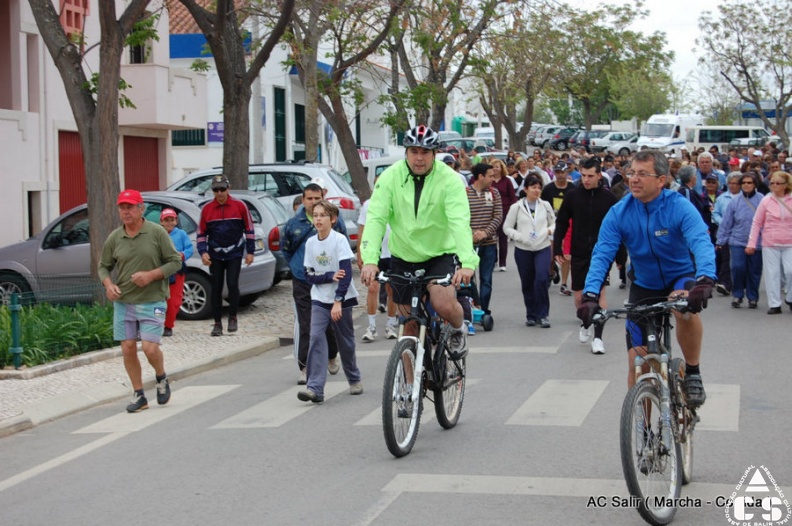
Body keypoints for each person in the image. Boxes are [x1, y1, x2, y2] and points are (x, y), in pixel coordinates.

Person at [577, 150, 716, 408]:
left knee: (682, 307)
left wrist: (706, 278)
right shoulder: (620, 212)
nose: (634, 179)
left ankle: (693, 372)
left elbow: (700, 241)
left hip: (680, 277)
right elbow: (602, 254)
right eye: (631, 173)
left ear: (661, 180)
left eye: (643, 174)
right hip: (644, 284)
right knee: (638, 365)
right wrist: (590, 295)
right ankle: (644, 432)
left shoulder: (679, 206)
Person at [359, 125, 478, 360]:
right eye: (414, 151)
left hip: (440, 253)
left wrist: (467, 262)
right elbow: (376, 219)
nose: (419, 157)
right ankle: (407, 391)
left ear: (434, 153)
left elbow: (459, 222)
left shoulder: (450, 180)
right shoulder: (390, 177)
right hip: (404, 255)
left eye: (425, 152)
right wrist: (370, 260)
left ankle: (457, 327)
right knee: (408, 326)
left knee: (443, 303)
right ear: (406, 152)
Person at [98, 189, 183, 413]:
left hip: (152, 299)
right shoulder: (115, 237)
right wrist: (108, 285)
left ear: (141, 209)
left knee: (149, 348)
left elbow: (175, 262)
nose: (125, 212)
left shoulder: (156, 232)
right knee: (127, 348)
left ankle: (161, 378)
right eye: (122, 207)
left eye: (130, 207)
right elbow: (103, 266)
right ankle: (139, 395)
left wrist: (151, 275)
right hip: (124, 301)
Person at [553, 157, 623, 354]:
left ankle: (598, 338)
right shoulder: (573, 196)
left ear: (599, 175)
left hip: (602, 254)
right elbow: (562, 223)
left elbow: (619, 229)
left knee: (599, 294)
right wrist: (558, 248)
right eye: (583, 175)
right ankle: (586, 322)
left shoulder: (609, 199)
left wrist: (620, 256)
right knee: (579, 297)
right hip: (579, 252)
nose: (586, 179)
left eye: (590, 176)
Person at [297, 200, 363, 403]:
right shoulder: (310, 243)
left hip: (340, 299)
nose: (317, 219)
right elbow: (308, 275)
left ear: (332, 219)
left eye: (322, 215)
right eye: (315, 215)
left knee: (345, 342)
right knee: (316, 337)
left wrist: (338, 300)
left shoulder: (339, 240)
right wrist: (328, 276)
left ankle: (354, 378)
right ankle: (315, 388)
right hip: (319, 299)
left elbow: (346, 274)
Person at [282, 183, 347, 384]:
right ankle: (305, 366)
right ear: (303, 200)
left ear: (323, 198)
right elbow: (287, 249)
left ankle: (331, 354)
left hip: (327, 280)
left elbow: (342, 242)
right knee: (306, 323)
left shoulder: (334, 220)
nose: (313, 203)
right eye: (309, 199)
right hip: (303, 279)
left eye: (316, 198)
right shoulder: (294, 224)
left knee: (328, 323)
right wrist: (296, 267)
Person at [197, 175, 255, 337]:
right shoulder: (207, 209)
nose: (220, 193)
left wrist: (250, 252)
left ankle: (233, 317)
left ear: (228, 188)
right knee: (216, 288)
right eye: (216, 190)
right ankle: (217, 323)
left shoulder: (240, 205)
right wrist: (203, 252)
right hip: (215, 254)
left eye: (222, 189)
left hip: (235, 252)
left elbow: (249, 229)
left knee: (232, 284)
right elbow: (201, 233)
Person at [503, 175, 556, 328]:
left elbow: (554, 223)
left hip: (542, 247)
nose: (537, 190)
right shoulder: (517, 207)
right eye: (533, 187)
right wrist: (519, 236)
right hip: (523, 249)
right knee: (527, 282)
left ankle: (543, 314)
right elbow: (507, 227)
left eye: (539, 187)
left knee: (541, 278)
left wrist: (548, 231)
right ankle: (531, 314)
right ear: (526, 189)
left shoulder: (545, 205)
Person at [356, 175, 398, 342]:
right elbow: (362, 230)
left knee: (391, 290)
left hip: (393, 253)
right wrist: (361, 254)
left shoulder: (397, 203)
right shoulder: (368, 205)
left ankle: (390, 324)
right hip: (374, 254)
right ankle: (371, 326)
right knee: (373, 288)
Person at [716, 172, 763, 310]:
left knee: (754, 271)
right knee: (737, 268)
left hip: (756, 242)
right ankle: (737, 295)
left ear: (755, 184)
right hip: (737, 240)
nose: (746, 185)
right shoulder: (735, 201)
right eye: (744, 183)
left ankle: (752, 297)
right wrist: (720, 241)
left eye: (750, 182)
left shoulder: (762, 200)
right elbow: (726, 222)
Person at [746, 170, 792, 314]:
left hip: (790, 242)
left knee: (790, 271)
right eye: (772, 183)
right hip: (770, 242)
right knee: (772, 274)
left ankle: (790, 297)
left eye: (778, 183)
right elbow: (757, 223)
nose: (774, 186)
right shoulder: (766, 200)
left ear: (786, 185)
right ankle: (774, 304)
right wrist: (751, 243)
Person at [466, 162, 503, 320]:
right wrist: (473, 233)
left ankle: (484, 310)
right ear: (480, 177)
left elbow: (498, 216)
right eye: (490, 176)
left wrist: (485, 233)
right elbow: (460, 218)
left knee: (486, 279)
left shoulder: (494, 193)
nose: (493, 179)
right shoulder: (465, 193)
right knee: (468, 278)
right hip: (468, 244)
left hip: (488, 244)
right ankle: (473, 307)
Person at [542, 162, 575, 295]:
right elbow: (542, 207)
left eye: (562, 172)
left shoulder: (573, 188)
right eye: (557, 172)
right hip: (551, 225)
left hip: (568, 225)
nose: (560, 175)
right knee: (550, 256)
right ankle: (552, 271)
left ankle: (564, 284)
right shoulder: (548, 189)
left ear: (567, 172)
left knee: (566, 255)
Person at [159, 208, 194, 337]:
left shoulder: (181, 234)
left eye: (172, 220)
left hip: (177, 271)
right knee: (160, 301)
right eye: (166, 220)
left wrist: (182, 255)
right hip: (160, 272)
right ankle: (159, 323)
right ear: (161, 221)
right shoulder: (158, 234)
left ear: (176, 220)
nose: (169, 223)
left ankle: (169, 325)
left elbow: (189, 249)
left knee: (174, 302)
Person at [712, 172, 744, 295]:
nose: (732, 186)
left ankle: (740, 283)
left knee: (738, 262)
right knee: (726, 258)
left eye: (735, 183)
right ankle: (725, 283)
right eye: (730, 183)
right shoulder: (722, 198)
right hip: (725, 232)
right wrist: (723, 222)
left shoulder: (745, 198)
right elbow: (715, 213)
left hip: (740, 232)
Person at [491, 158, 517, 271]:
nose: (495, 169)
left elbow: (513, 197)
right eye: (493, 167)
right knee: (491, 238)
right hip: (490, 212)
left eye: (497, 166)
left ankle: (502, 263)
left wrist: (512, 210)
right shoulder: (489, 181)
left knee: (502, 237)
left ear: (502, 168)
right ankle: (493, 260)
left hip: (504, 211)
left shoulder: (507, 181)